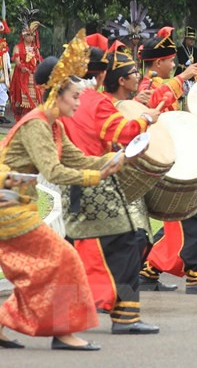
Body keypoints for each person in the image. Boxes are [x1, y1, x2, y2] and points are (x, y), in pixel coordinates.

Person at [0, 31, 124, 351]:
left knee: (41, 267)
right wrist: (96, 178)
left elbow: (76, 159)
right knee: (65, 257)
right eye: (75, 96)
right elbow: (54, 171)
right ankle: (64, 331)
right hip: (7, 203)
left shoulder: (53, 125)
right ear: (56, 95)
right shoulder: (36, 124)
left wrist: (111, 159)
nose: (80, 102)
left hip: (19, 201)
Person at [61, 36, 163, 335]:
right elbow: (125, 131)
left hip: (72, 185)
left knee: (76, 247)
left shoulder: (65, 98)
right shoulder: (95, 102)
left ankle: (69, 311)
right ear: (103, 74)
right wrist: (146, 118)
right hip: (98, 184)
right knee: (128, 242)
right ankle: (123, 315)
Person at [138, 29, 197, 295]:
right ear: (158, 63)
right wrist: (181, 77)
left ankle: (148, 270)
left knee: (184, 219)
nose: (174, 64)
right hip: (167, 164)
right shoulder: (149, 87)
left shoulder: (155, 83)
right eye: (170, 60)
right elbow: (155, 107)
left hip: (176, 159)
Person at [9, 23, 43, 122]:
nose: (30, 37)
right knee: (20, 99)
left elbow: (38, 60)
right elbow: (17, 60)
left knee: (34, 98)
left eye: (32, 35)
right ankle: (21, 119)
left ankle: (31, 119)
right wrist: (21, 67)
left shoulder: (35, 48)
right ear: (23, 35)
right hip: (21, 76)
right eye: (28, 35)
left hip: (32, 75)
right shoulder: (18, 47)